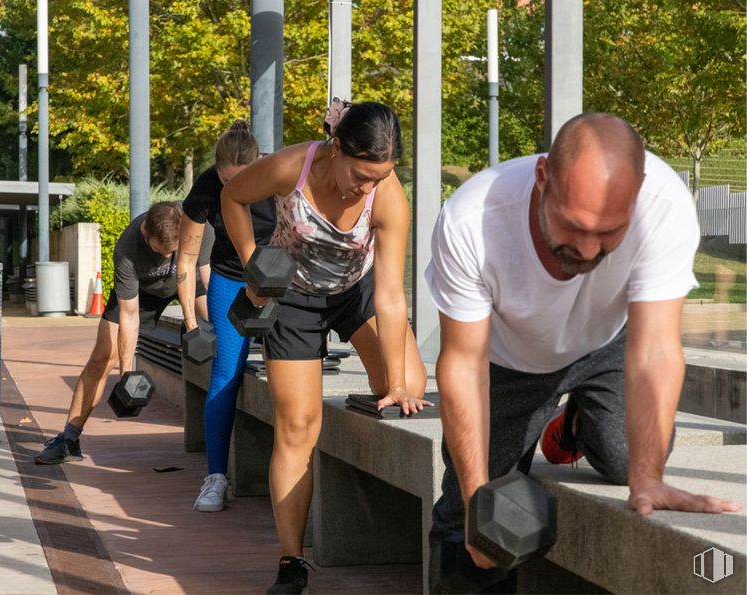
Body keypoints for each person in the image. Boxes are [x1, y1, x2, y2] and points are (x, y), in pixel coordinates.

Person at [425, 112, 742, 592]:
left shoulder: (664, 206)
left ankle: (571, 423)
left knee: (625, 463)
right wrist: (475, 500)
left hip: (605, 342)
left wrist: (648, 478)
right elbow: (465, 367)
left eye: (609, 232)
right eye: (573, 226)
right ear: (541, 178)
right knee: (473, 523)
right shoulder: (472, 219)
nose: (589, 250)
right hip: (509, 358)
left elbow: (655, 348)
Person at [222, 100, 430, 594]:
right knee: (298, 426)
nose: (366, 187)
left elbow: (392, 294)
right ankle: (292, 561)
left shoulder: (388, 199)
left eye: (378, 178)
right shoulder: (292, 167)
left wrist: (397, 381)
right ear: (337, 148)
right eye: (361, 175)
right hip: (291, 294)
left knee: (411, 389)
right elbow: (233, 196)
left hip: (355, 291)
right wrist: (255, 266)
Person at [35, 201, 213, 465]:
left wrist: (202, 323)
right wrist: (126, 374)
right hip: (140, 294)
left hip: (190, 284)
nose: (166, 256)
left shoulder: (199, 226)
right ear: (145, 232)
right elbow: (130, 315)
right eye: (159, 250)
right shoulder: (128, 248)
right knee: (103, 358)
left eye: (171, 251)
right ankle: (69, 438)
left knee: (219, 330)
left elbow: (207, 278)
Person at [176, 120, 277, 512]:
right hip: (231, 280)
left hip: (278, 275)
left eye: (242, 180)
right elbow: (186, 256)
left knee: (287, 370)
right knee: (226, 373)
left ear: (259, 165)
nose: (232, 187)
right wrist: (189, 322)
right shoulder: (206, 186)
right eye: (226, 180)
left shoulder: (278, 176)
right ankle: (216, 476)